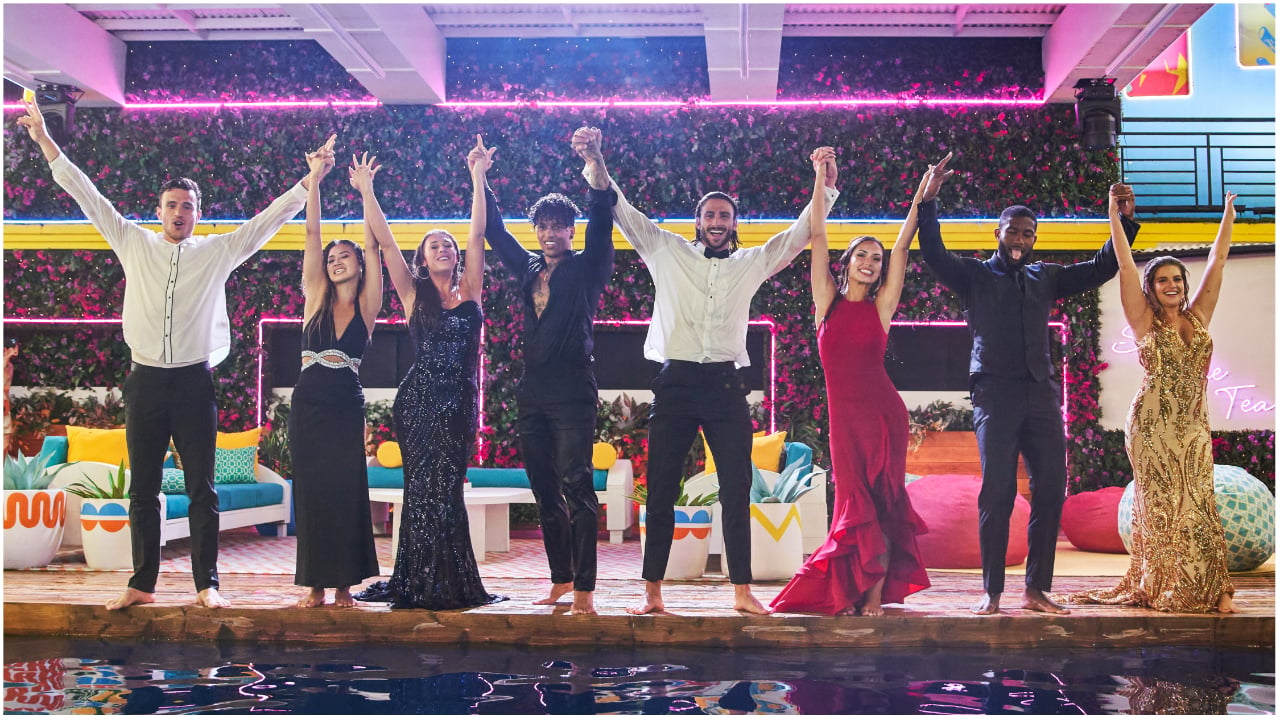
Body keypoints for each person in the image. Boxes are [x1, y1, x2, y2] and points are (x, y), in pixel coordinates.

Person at [17, 98, 316, 611]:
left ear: (198, 216)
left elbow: (265, 223)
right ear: (159, 212)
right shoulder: (133, 242)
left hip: (195, 383)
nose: (180, 213)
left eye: (188, 206)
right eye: (172, 205)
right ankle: (142, 583)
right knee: (144, 491)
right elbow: (87, 196)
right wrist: (45, 139)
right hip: (146, 383)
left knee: (203, 489)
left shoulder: (217, 251)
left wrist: (308, 183)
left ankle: (207, 586)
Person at [578, 130, 839, 615]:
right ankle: (652, 593)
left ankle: (742, 592)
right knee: (660, 489)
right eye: (710, 214)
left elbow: (800, 233)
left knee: (738, 487)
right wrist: (596, 160)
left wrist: (822, 185)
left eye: (725, 215)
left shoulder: (750, 262)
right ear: (698, 221)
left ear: (735, 223)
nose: (717, 221)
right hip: (674, 383)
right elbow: (620, 208)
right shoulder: (665, 250)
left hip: (724, 385)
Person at [917, 158, 1141, 616]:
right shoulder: (974, 276)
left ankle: (1037, 590)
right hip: (994, 396)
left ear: (1034, 239)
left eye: (1028, 233)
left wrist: (1122, 221)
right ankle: (992, 591)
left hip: (1040, 395)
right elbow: (934, 252)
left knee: (1052, 486)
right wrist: (930, 198)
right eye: (1013, 231)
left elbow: (1102, 266)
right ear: (997, 233)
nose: (1020, 239)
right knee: (997, 491)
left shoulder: (1047, 277)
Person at [770, 155, 939, 616]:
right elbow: (818, 235)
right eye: (862, 255)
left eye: (876, 258)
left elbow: (904, 248)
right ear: (848, 264)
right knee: (852, 501)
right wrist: (818, 182)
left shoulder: (882, 307)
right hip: (845, 423)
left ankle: (872, 595)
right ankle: (856, 587)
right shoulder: (826, 301)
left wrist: (922, 194)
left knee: (883, 501)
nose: (870, 262)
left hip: (884, 416)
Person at [1066, 191, 1239, 613]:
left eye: (1177, 279)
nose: (1172, 286)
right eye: (1162, 280)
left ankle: (1215, 588)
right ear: (1151, 287)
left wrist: (1228, 217)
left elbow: (1216, 263)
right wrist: (1113, 216)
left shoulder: (1198, 317)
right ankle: (1161, 582)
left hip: (1194, 424)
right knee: (1162, 507)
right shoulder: (1143, 319)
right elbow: (1125, 264)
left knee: (1199, 501)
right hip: (1152, 426)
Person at [354, 136, 503, 610]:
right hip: (418, 402)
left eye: (447, 244)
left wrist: (478, 177)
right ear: (422, 259)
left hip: (458, 403)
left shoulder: (471, 288)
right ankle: (419, 581)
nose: (442, 248)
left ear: (456, 257)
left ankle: (447, 579)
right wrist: (366, 191)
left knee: (447, 489)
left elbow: (477, 233)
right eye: (433, 245)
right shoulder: (412, 291)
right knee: (420, 491)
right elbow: (384, 240)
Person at [482, 127, 615, 615]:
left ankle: (585, 589)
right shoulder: (529, 269)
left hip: (574, 390)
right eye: (543, 226)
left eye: (560, 225)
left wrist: (596, 158)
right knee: (544, 490)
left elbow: (603, 210)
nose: (550, 233)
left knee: (577, 484)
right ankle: (560, 578)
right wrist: (482, 178)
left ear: (571, 231)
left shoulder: (589, 267)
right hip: (532, 392)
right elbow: (495, 232)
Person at [287, 139, 384, 609]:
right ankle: (316, 584)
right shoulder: (314, 299)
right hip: (309, 405)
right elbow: (311, 234)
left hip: (346, 405)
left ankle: (345, 583)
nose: (336, 259)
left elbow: (373, 243)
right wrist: (316, 180)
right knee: (312, 492)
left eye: (344, 255)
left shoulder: (367, 305)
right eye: (332, 257)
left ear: (358, 265)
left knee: (346, 489)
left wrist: (365, 191)